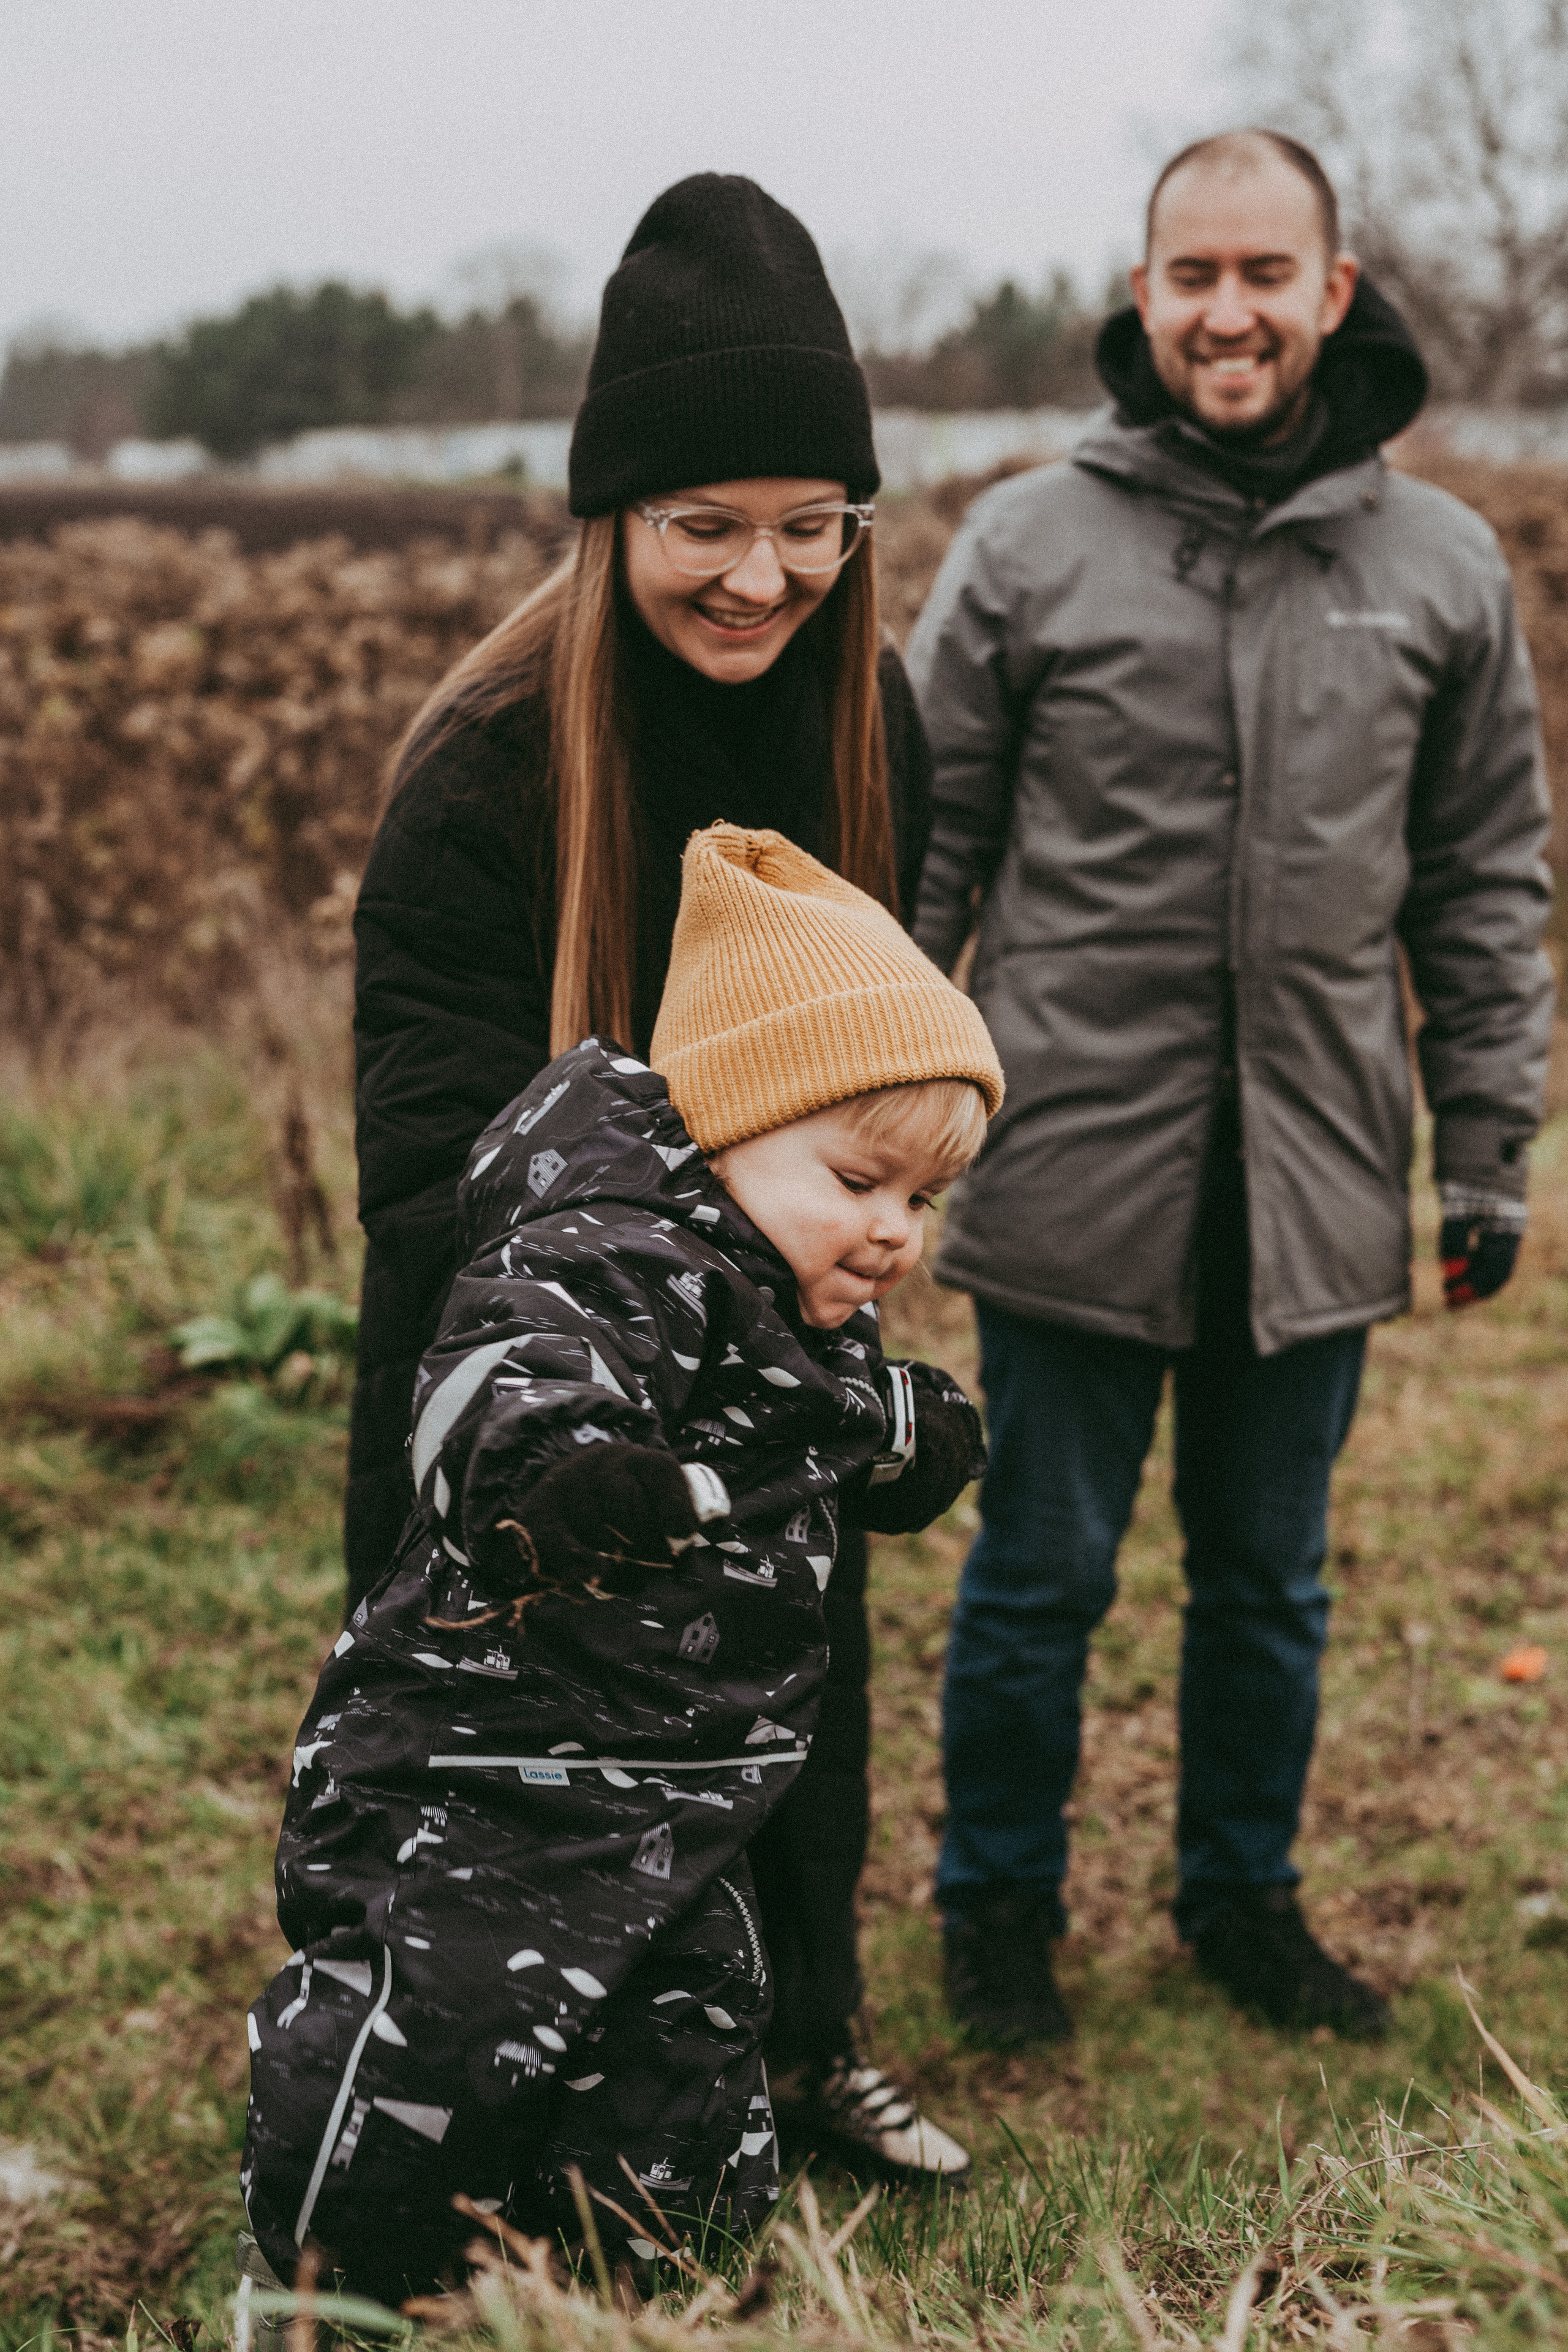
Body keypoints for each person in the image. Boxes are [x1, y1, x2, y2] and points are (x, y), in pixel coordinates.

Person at [907, 129, 1554, 2048]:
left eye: (1266, 274)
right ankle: (997, 1916)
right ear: (1143, 293)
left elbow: (1484, 877)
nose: (1228, 313)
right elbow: (921, 857)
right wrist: (842, 1127)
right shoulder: (1028, 543)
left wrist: (1491, 1153)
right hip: (1068, 1174)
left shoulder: (1440, 566)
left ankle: (1241, 1904)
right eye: (1192, 277)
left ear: (1335, 290)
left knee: (1271, 1590)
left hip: (1319, 1176)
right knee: (1040, 1581)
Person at [345, 174, 964, 2179]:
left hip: (778, 1342)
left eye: (810, 523)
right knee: (539, 1778)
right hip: (532, 1360)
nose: (759, 575)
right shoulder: (488, 765)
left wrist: (836, 1331)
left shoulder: (876, 721)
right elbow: (423, 1154)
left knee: (791, 1702)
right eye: (707, 527)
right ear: (614, 520)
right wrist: (607, 1356)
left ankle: (801, 2053)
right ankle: (464, 2119)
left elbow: (870, 1073)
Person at [243, 826, 1005, 2302]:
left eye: (920, 1202)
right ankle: (325, 2292)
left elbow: (831, 1422)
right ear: (727, 1127)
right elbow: (507, 1384)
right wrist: (558, 1477)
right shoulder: (603, 1249)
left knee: (680, 2076)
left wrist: (911, 1434)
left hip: (672, 1794)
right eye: (860, 1178)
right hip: (484, 1781)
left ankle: (643, 2300)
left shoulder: (792, 1289)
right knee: (428, 2059)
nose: (892, 1233)